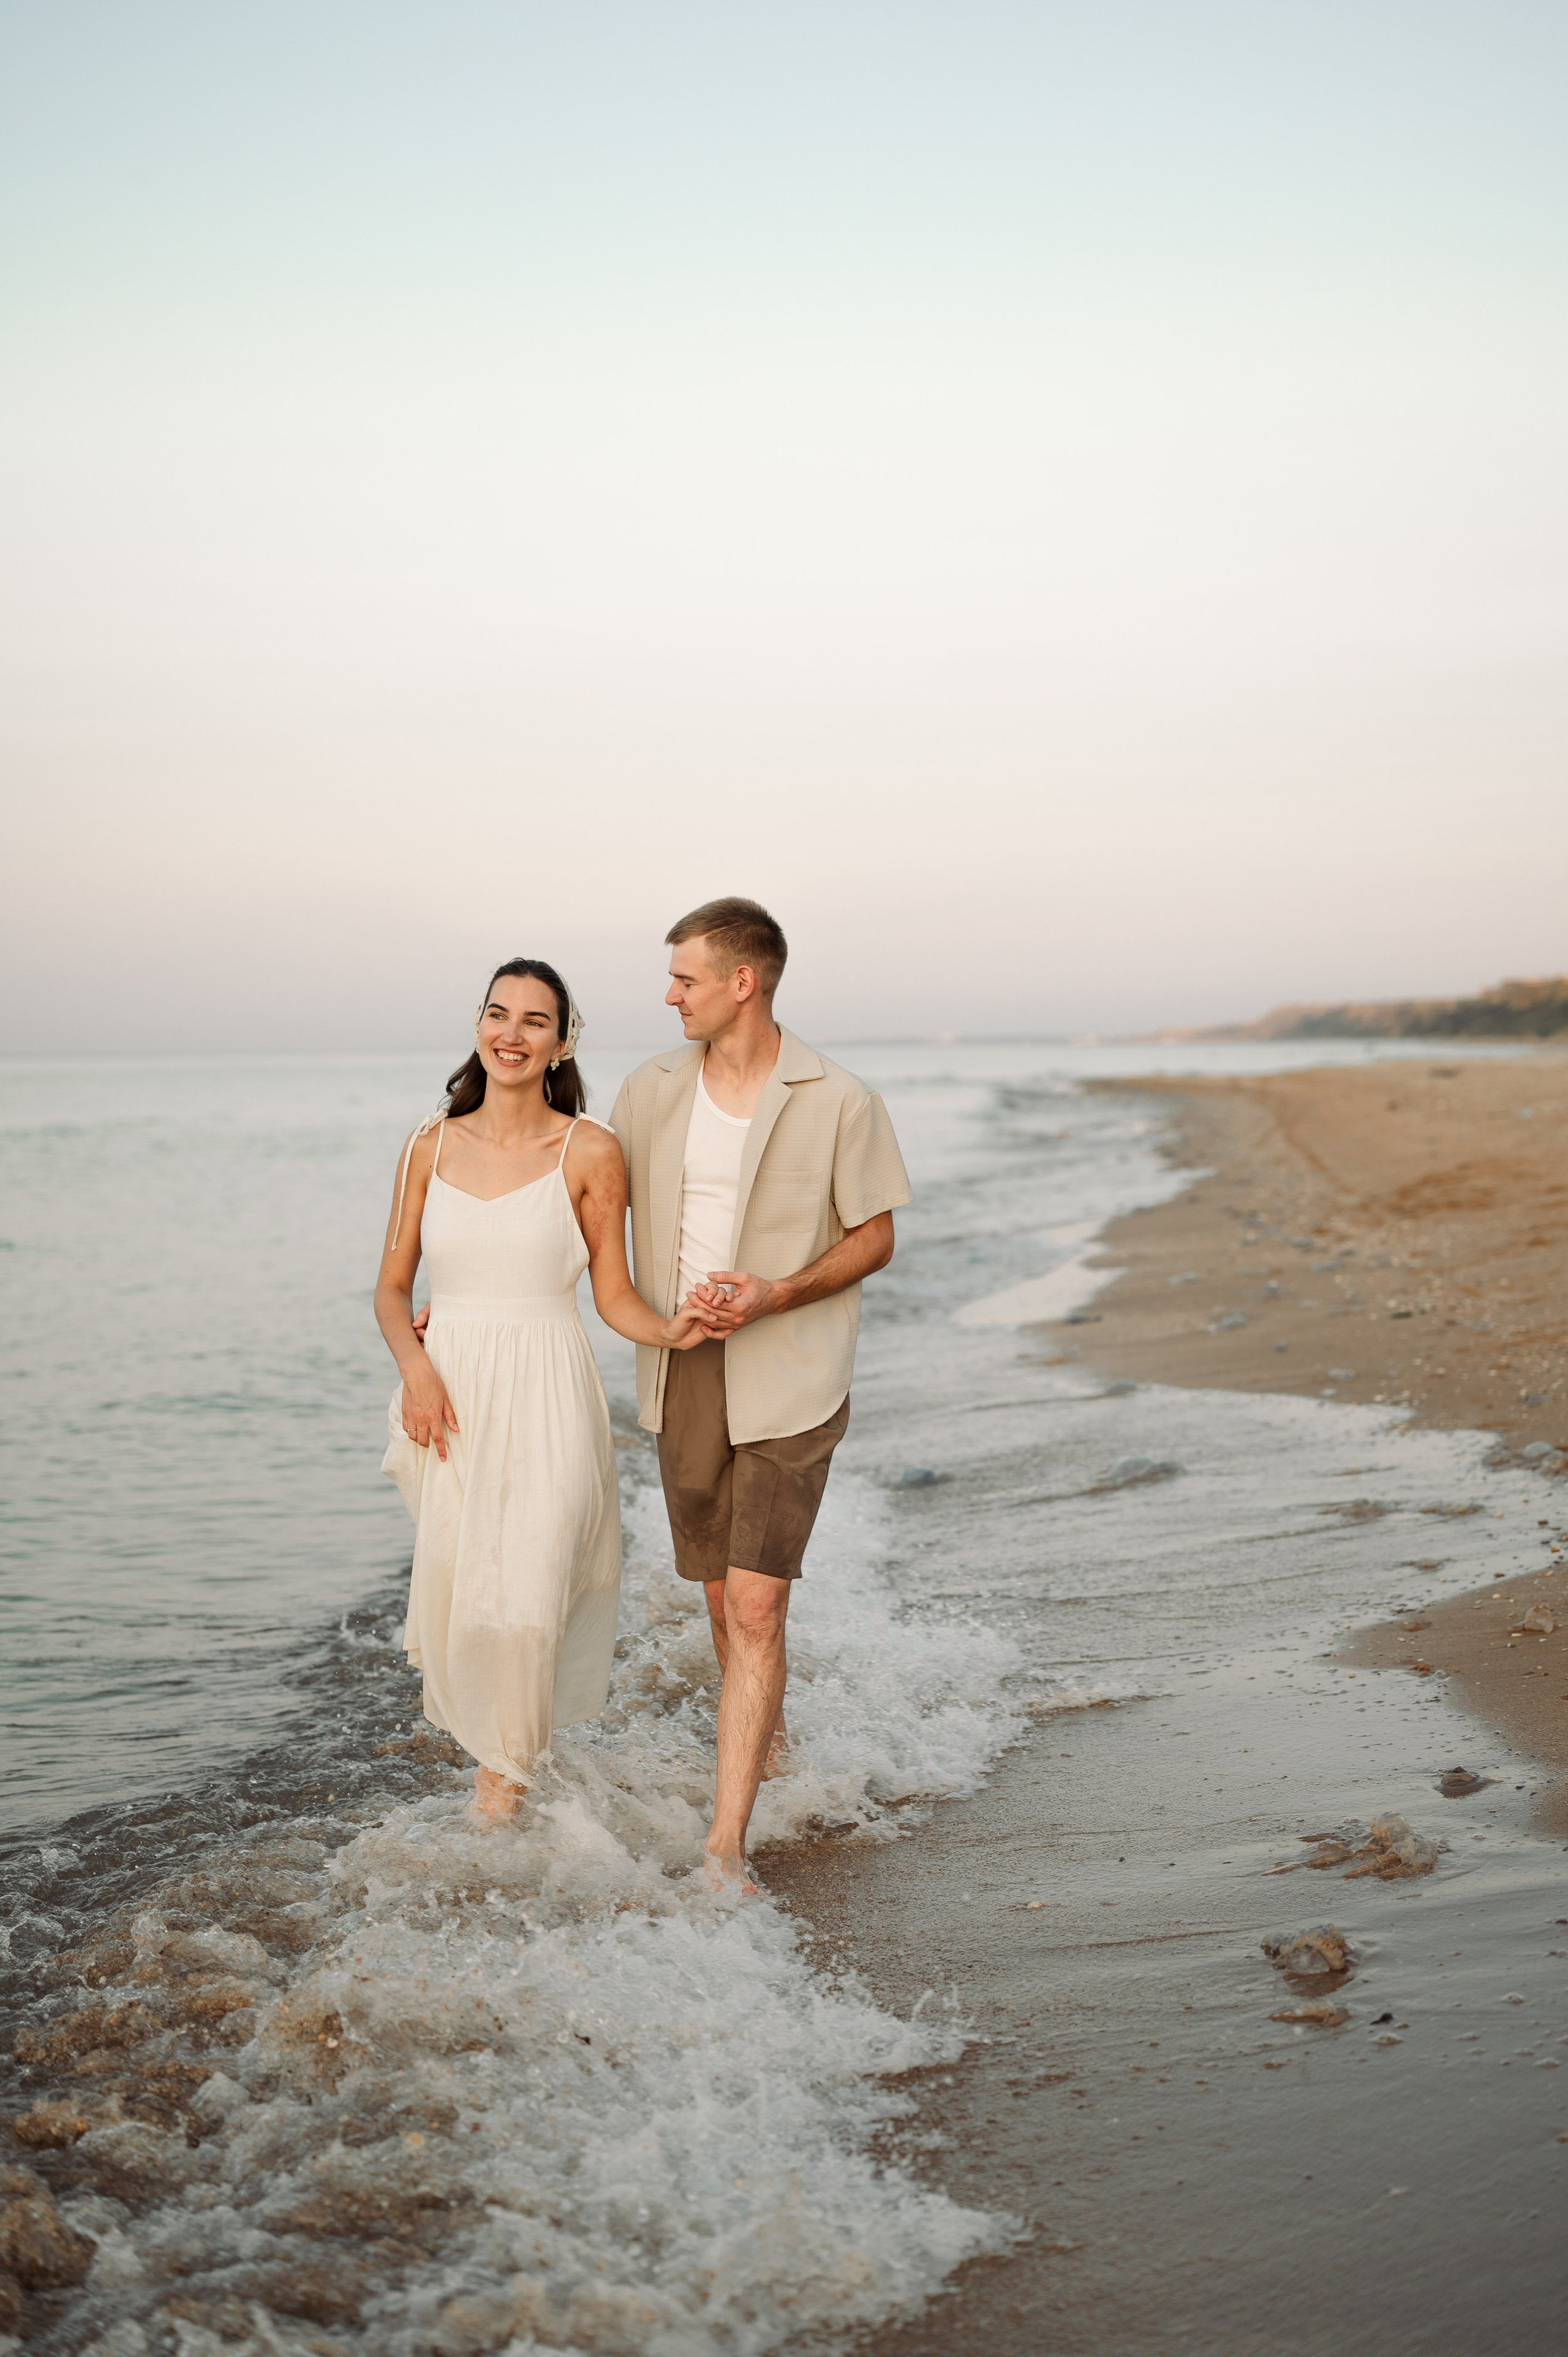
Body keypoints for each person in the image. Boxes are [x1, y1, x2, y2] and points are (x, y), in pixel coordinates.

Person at [610, 897, 913, 1890]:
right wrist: (463, 1302)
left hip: (794, 1375)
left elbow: (876, 1236)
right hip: (684, 1366)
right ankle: (766, 1747)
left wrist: (777, 1290)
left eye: (685, 978)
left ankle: (724, 1846)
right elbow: (574, 1197)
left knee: (754, 1605)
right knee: (714, 1591)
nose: (670, 996)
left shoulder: (838, 1098)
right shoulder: (648, 1090)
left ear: (744, 982)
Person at [375, 957, 704, 1822]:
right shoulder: (429, 1142)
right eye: (497, 1014)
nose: (510, 1035)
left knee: (528, 1601)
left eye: (533, 1021)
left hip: (551, 1392)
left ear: (562, 1042)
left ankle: (499, 1817)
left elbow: (614, 1293)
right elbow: (389, 1289)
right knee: (477, 1598)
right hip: (451, 1395)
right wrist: (416, 1367)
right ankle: (516, 1802)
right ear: (479, 1026)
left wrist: (675, 1330)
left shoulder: (590, 1149)